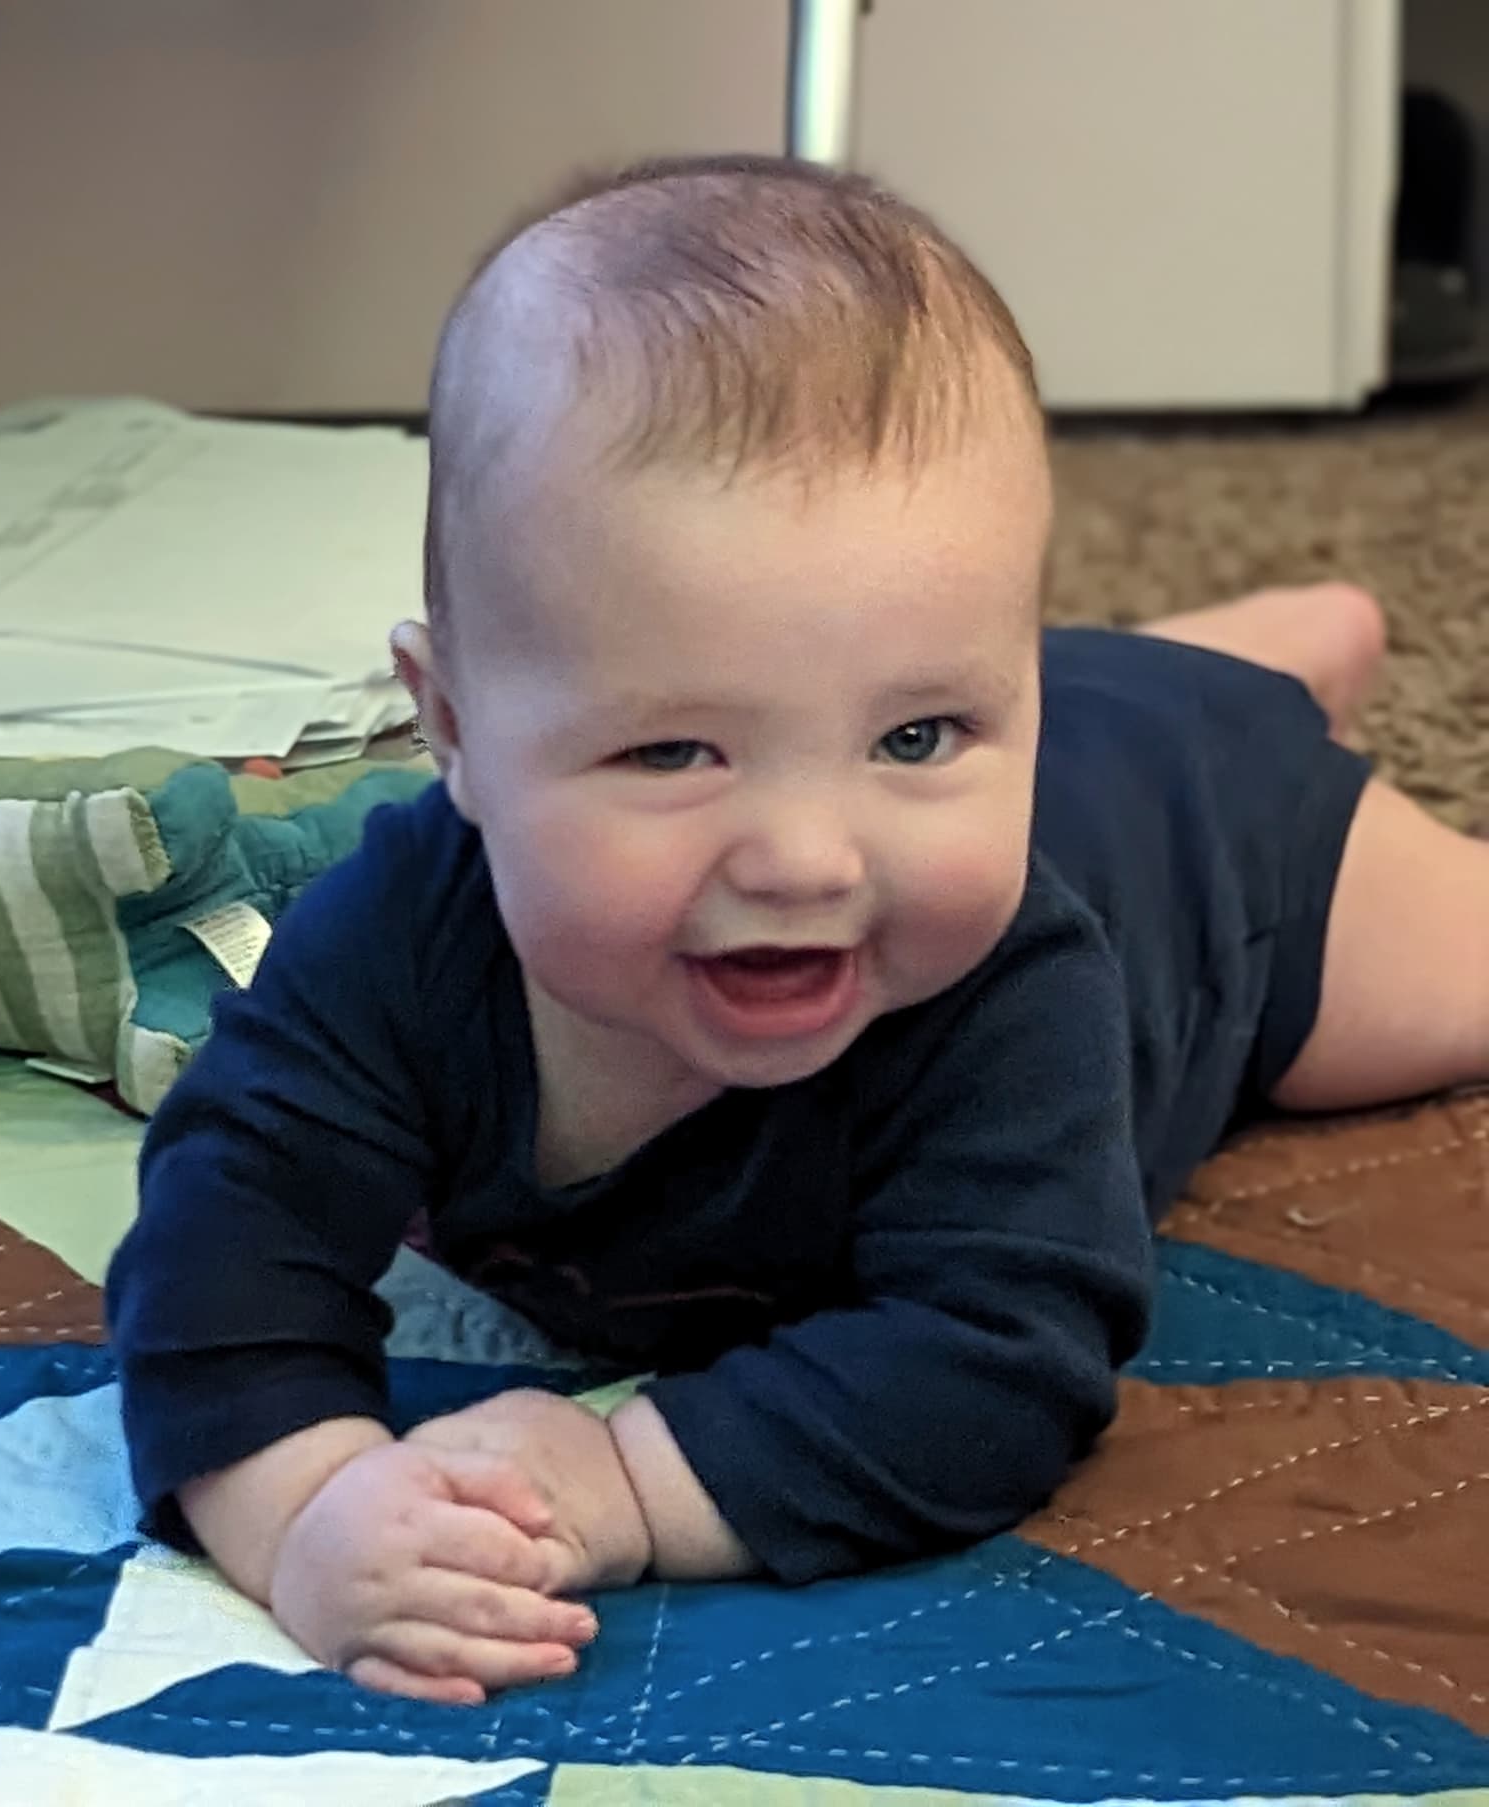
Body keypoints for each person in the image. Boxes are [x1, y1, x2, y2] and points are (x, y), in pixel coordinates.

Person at [103, 153, 1489, 1708]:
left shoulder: (1014, 981)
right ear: (454, 730)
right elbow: (221, 1241)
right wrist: (303, 1506)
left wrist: (628, 1479)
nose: (809, 859)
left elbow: (999, 1359)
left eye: (922, 735)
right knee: (1034, 701)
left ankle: (1243, 689)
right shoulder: (392, 943)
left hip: (1228, 857)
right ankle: (1208, 664)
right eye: (675, 752)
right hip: (1082, 726)